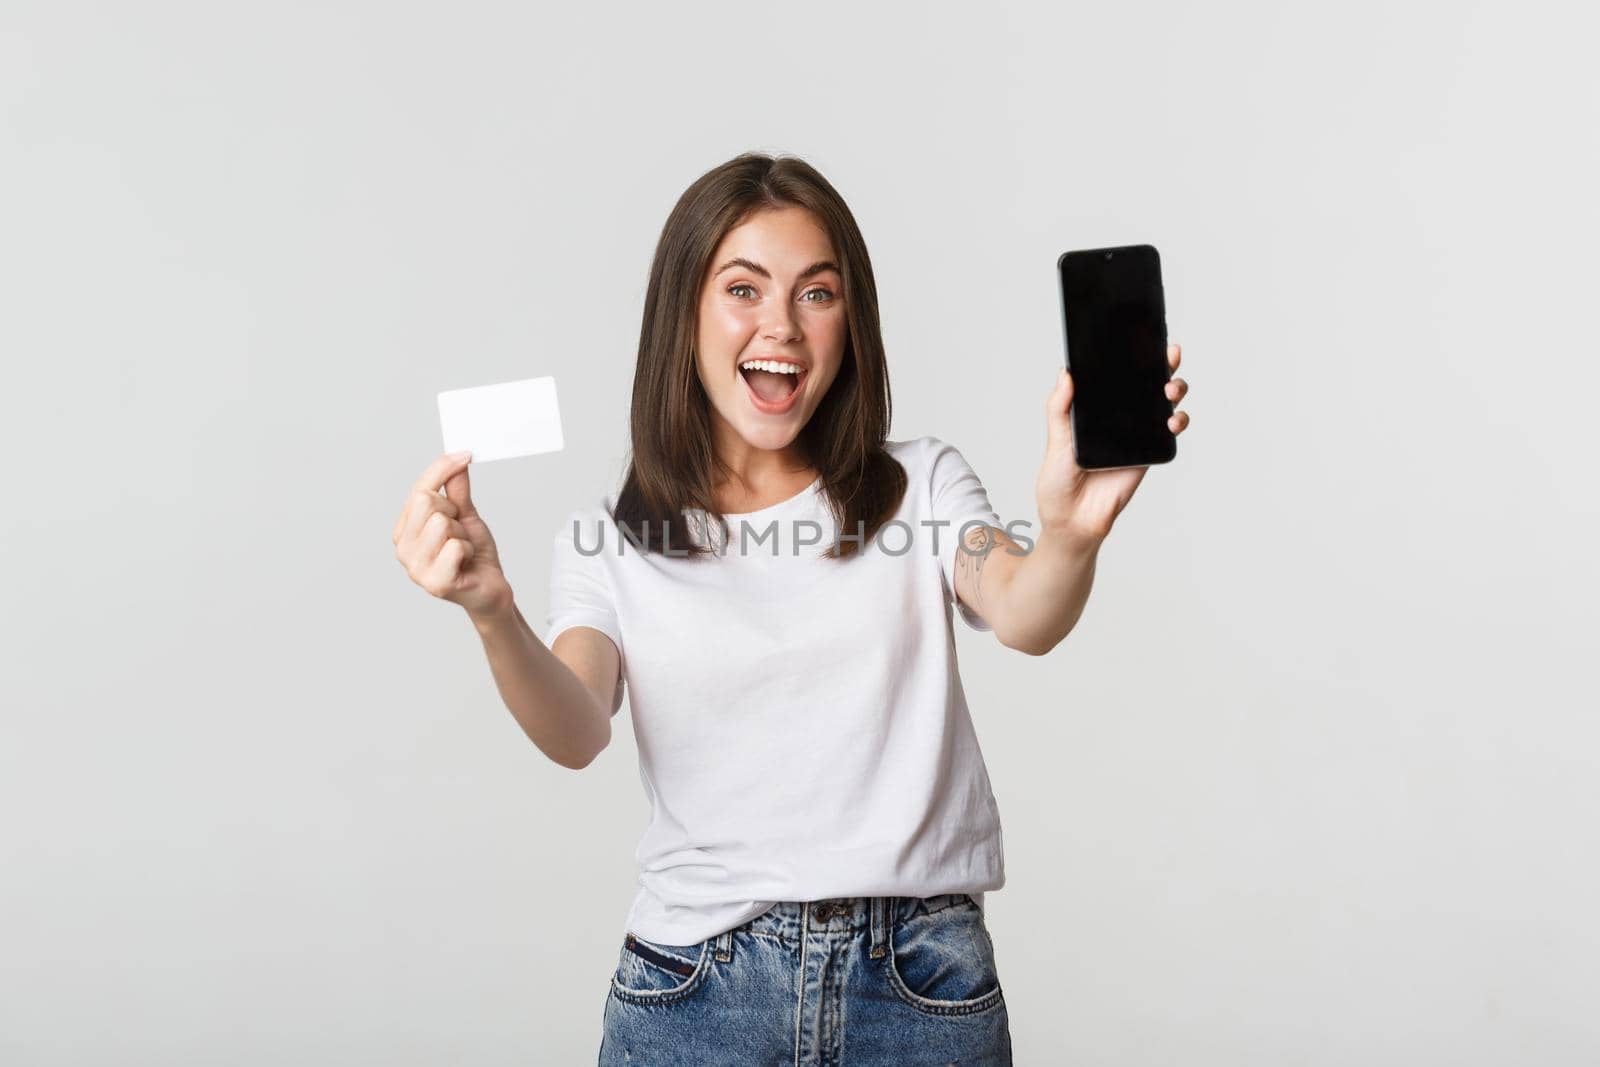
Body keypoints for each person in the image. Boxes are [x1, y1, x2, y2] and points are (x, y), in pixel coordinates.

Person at [392, 151, 1191, 1066]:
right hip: (696, 994)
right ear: (682, 314)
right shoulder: (609, 536)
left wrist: (1070, 533)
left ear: (852, 322)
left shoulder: (920, 486)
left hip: (920, 985)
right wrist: (491, 609)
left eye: (818, 293)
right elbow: (576, 727)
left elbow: (1023, 611)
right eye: (743, 288)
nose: (783, 325)